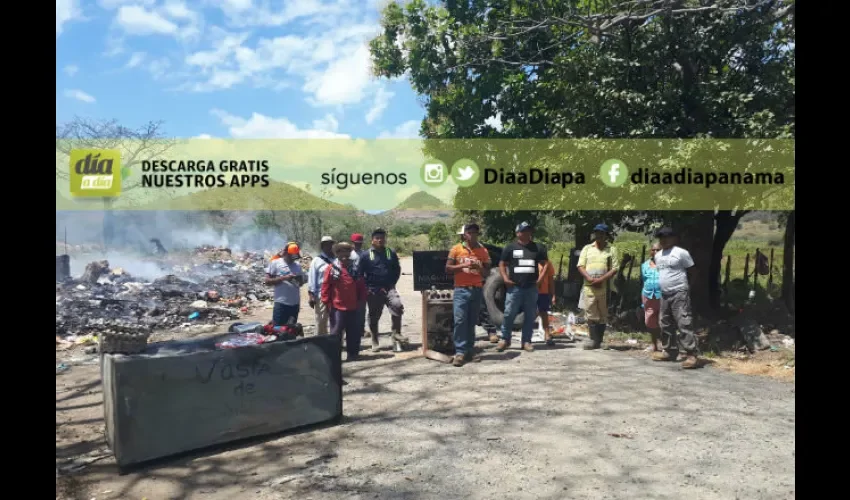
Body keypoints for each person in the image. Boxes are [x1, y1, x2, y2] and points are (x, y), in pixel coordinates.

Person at [496, 222, 550, 352]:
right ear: (517, 233)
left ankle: (526, 341)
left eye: (528, 231)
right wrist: (505, 278)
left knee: (530, 316)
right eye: (524, 231)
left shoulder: (538, 247)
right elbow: (502, 263)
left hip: (531, 288)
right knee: (509, 314)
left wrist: (540, 279)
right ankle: (505, 339)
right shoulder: (510, 248)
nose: (526, 233)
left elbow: (546, 264)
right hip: (515, 288)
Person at [652, 227, 700, 369]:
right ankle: (669, 350)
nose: (664, 239)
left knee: (683, 322)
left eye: (667, 237)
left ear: (674, 238)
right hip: (664, 293)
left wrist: (687, 287)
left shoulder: (681, 253)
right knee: (664, 322)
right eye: (661, 237)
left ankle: (691, 354)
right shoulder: (658, 255)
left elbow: (693, 271)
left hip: (679, 292)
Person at [446, 223, 491, 367]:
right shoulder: (456, 249)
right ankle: (460, 352)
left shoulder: (483, 251)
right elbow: (447, 268)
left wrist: (479, 267)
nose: (472, 235)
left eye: (475, 232)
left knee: (471, 322)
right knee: (460, 321)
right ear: (464, 234)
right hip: (461, 290)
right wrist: (462, 266)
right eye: (469, 232)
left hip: (477, 290)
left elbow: (487, 273)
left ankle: (470, 351)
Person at [359, 228, 407, 351]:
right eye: (377, 238)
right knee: (374, 316)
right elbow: (360, 274)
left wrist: (392, 284)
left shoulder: (390, 252)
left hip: (389, 288)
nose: (380, 240)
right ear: (372, 240)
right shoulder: (365, 255)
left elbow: (397, 269)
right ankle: (374, 340)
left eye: (382, 238)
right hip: (373, 290)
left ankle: (396, 335)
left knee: (397, 305)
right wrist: (367, 289)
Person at [321, 242, 367, 362]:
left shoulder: (356, 268)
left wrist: (362, 300)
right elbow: (326, 286)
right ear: (337, 254)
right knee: (336, 332)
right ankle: (334, 356)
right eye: (341, 251)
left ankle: (353, 354)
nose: (344, 254)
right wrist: (326, 302)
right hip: (337, 306)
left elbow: (361, 285)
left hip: (354, 305)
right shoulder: (332, 269)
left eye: (347, 251)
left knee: (354, 332)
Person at [577, 224, 619, 350]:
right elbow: (580, 266)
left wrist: (601, 279)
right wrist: (589, 278)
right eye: (597, 233)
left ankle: (599, 340)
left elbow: (615, 268)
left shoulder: (612, 250)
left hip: (605, 287)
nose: (599, 236)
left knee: (603, 314)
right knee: (590, 313)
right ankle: (592, 340)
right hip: (589, 287)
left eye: (602, 233)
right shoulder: (587, 248)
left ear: (606, 235)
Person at [265, 242, 306, 326]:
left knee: (291, 331)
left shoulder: (297, 265)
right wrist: (284, 278)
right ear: (286, 253)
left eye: (295, 256)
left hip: (295, 304)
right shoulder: (275, 263)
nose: (293, 258)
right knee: (278, 330)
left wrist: (298, 279)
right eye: (292, 256)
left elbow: (300, 283)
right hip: (281, 304)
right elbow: (267, 281)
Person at [307, 236, 335, 335]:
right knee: (321, 321)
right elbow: (311, 279)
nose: (329, 246)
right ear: (322, 246)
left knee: (336, 321)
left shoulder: (336, 259)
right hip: (321, 295)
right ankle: (319, 343)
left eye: (331, 244)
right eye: (327, 244)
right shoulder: (316, 260)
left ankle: (333, 342)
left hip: (335, 295)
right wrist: (311, 295)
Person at [640, 243, 663, 351]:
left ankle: (665, 344)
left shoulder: (666, 264)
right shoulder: (644, 265)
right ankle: (654, 344)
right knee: (650, 320)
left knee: (664, 320)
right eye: (653, 250)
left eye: (658, 250)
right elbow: (644, 280)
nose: (655, 252)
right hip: (648, 295)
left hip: (662, 296)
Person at [349, 233, 367, 337]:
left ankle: (361, 329)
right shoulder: (349, 255)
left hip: (362, 283)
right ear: (352, 243)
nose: (358, 245)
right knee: (352, 307)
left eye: (359, 243)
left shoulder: (364, 254)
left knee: (362, 307)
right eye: (356, 243)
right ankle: (352, 328)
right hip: (352, 283)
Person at [537, 259, 557, 345]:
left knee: (544, 313)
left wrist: (553, 294)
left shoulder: (548, 263)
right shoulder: (533, 260)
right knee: (530, 313)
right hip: (531, 291)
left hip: (543, 292)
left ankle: (547, 335)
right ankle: (526, 337)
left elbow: (551, 280)